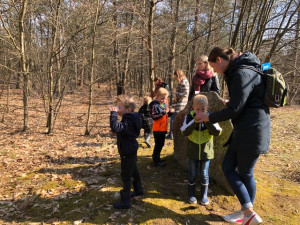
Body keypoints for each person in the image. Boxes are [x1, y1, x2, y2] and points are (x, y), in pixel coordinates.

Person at [196, 47, 270, 225]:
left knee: (238, 170)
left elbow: (235, 110)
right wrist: (231, 102)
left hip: (251, 131)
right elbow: (246, 101)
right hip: (250, 129)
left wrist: (209, 117)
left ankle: (248, 212)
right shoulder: (246, 68)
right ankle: (246, 212)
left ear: (219, 60)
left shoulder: (240, 73)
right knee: (238, 170)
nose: (216, 72)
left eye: (214, 67)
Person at [180, 95, 222, 205]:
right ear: (193, 107)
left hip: (206, 151)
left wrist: (207, 122)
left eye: (202, 109)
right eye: (197, 109)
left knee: (204, 173)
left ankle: (204, 195)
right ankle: (191, 194)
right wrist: (194, 122)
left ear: (207, 108)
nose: (200, 111)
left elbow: (217, 132)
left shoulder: (211, 117)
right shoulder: (189, 117)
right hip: (193, 151)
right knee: (192, 173)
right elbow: (184, 132)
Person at [110, 94, 144, 209]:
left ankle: (125, 201)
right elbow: (124, 130)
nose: (117, 109)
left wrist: (113, 114)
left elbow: (116, 127)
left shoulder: (129, 120)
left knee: (126, 175)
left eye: (119, 107)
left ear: (128, 110)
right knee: (133, 169)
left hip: (127, 151)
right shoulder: (131, 119)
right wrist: (118, 133)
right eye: (117, 107)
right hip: (130, 149)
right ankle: (138, 190)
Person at [149, 87, 174, 167]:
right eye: (162, 98)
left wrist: (170, 113)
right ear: (157, 96)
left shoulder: (163, 104)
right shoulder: (155, 105)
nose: (163, 100)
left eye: (165, 99)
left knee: (161, 144)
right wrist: (164, 112)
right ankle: (156, 160)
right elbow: (154, 117)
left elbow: (165, 115)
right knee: (158, 144)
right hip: (157, 129)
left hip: (163, 128)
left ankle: (157, 157)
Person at [167, 69, 190, 139]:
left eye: (176, 77)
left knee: (174, 118)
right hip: (178, 103)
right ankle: (172, 133)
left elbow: (185, 93)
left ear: (178, 75)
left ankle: (172, 134)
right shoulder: (181, 81)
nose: (175, 79)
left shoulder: (184, 81)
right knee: (174, 118)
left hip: (181, 104)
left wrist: (177, 95)